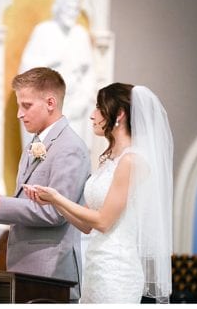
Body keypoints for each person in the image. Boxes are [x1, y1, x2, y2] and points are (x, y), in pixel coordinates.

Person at [23, 83, 173, 303]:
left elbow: (103, 222)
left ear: (119, 114)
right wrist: (53, 202)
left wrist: (57, 197)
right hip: (96, 266)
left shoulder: (131, 161)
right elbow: (86, 225)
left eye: (98, 108)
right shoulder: (109, 160)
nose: (92, 116)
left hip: (117, 271)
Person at [0, 67, 90, 301]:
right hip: (26, 269)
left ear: (50, 102)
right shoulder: (35, 143)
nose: (19, 114)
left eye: (27, 105)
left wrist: (2, 201)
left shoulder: (70, 147)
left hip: (51, 271)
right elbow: (26, 204)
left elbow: (56, 213)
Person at [19, 0, 97, 150]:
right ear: (59, 6)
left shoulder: (80, 35)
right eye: (69, 6)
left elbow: (90, 73)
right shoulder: (43, 31)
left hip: (75, 106)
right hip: (48, 107)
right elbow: (26, 69)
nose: (73, 12)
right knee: (46, 157)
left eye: (76, 7)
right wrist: (50, 61)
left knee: (73, 155)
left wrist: (84, 99)